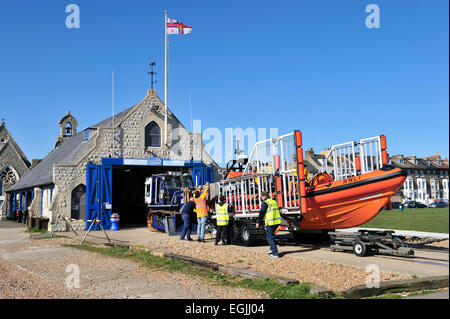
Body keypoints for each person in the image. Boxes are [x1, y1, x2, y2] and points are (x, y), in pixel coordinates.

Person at [256, 191, 282, 258]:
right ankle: (271, 249)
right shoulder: (274, 201)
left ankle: (275, 253)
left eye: (261, 197)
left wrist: (258, 222)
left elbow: (261, 213)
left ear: (263, 196)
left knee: (270, 238)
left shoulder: (265, 203)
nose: (261, 198)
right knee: (272, 237)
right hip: (277, 222)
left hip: (270, 223)